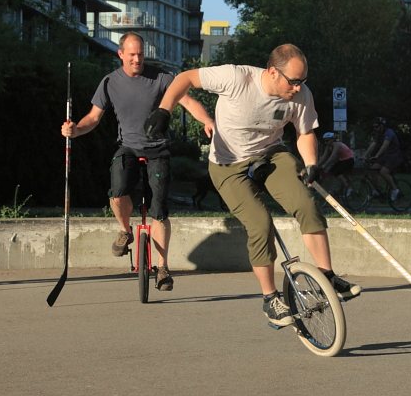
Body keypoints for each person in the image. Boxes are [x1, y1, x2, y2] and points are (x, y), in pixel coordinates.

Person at [143, 43, 361, 326]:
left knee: (306, 205)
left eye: (302, 81)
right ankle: (270, 298)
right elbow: (186, 78)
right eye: (293, 81)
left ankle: (327, 276)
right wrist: (164, 110)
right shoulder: (236, 78)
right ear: (272, 72)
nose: (298, 87)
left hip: (270, 155)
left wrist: (311, 163)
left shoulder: (301, 94)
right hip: (227, 166)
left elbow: (305, 132)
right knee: (260, 223)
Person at [60, 32, 214, 292]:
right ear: (121, 54)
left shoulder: (162, 78)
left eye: (140, 54)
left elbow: (188, 101)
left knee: (159, 210)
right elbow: (93, 118)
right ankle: (125, 231)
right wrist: (75, 130)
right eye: (131, 55)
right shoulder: (110, 82)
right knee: (117, 192)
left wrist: (207, 120)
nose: (137, 59)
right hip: (128, 148)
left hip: (158, 150)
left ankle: (163, 268)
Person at [364, 117, 404, 202]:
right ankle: (377, 190)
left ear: (382, 126)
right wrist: (365, 155)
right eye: (374, 127)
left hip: (394, 155)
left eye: (377, 126)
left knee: (383, 172)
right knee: (372, 170)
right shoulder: (378, 133)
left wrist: (377, 156)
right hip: (386, 156)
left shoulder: (389, 132)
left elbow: (384, 145)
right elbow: (373, 144)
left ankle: (395, 190)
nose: (375, 128)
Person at [319, 131, 356, 197]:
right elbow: (324, 157)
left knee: (336, 172)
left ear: (332, 139)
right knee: (333, 171)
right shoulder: (328, 147)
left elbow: (332, 157)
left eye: (327, 140)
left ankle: (348, 187)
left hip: (349, 160)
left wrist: (325, 165)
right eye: (325, 141)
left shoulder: (337, 144)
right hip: (343, 160)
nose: (326, 142)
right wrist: (317, 165)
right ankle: (341, 189)